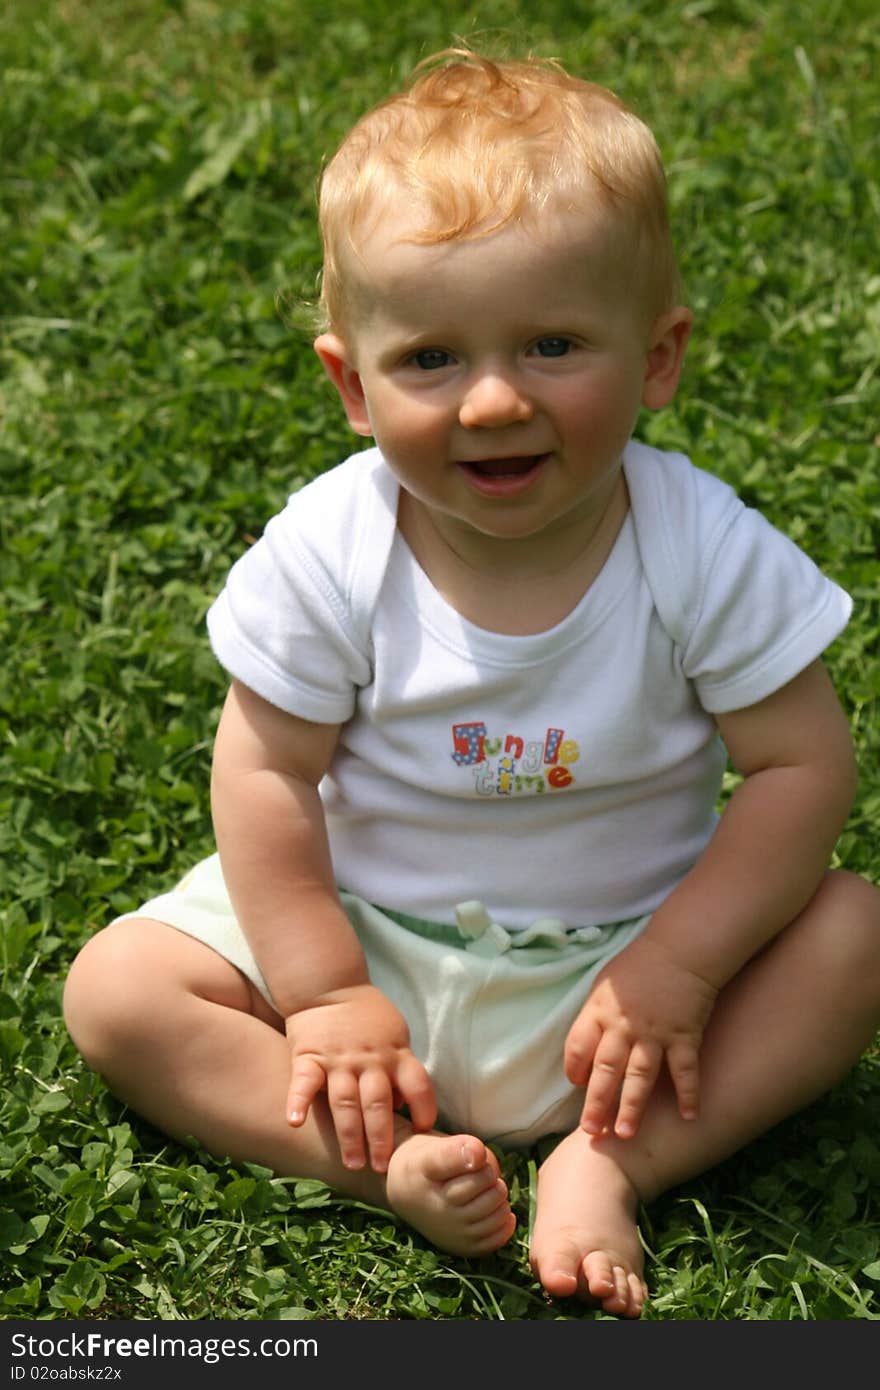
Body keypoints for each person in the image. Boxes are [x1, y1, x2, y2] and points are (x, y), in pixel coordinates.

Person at [63, 49, 880, 1319]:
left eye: (552, 343)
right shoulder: (332, 549)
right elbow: (267, 767)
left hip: (622, 978)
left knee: (854, 937)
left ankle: (605, 1165)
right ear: (352, 382)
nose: (494, 399)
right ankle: (390, 1164)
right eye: (432, 359)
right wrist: (326, 990)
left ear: (658, 358)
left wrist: (681, 966)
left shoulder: (700, 546)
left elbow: (800, 765)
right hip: (364, 937)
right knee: (117, 991)